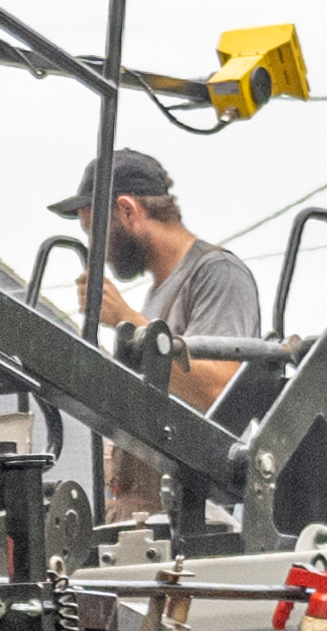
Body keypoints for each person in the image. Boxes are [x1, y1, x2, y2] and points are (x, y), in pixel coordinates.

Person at [76, 149, 265, 521]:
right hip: (160, 506)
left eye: (93, 231)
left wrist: (128, 323)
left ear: (127, 211)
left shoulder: (217, 274)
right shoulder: (158, 295)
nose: (95, 250)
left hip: (207, 509)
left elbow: (221, 390)